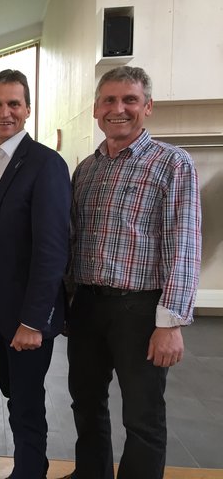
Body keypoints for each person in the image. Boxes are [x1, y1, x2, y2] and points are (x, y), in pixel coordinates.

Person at [61, 66, 201, 479]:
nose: (118, 109)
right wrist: (66, 303)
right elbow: (73, 240)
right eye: (109, 100)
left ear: (148, 107)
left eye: (129, 100)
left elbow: (184, 245)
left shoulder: (172, 164)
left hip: (140, 311)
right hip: (87, 305)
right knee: (86, 403)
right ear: (95, 109)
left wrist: (170, 323)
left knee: (142, 416)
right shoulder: (86, 170)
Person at [0, 69, 71, 479]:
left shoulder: (45, 164)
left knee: (26, 401)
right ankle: (34, 464)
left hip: (25, 314)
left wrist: (34, 320)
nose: (4, 112)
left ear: (27, 109)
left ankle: (29, 472)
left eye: (13, 104)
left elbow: (52, 250)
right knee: (14, 392)